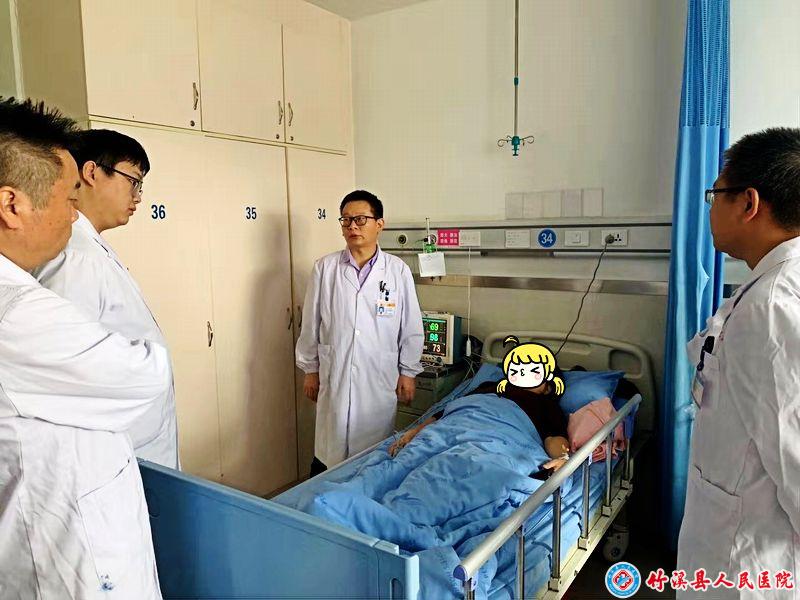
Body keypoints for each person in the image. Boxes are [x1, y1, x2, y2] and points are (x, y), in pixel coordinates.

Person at [0, 97, 170, 598]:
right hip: (70, 542)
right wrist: (143, 357)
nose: (72, 216)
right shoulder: (23, 306)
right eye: (68, 198)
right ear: (13, 205)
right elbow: (142, 376)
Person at [678, 127, 800, 596]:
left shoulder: (771, 307)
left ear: (748, 203)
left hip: (746, 560)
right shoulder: (768, 287)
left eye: (715, 195)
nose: (710, 208)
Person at [34, 129, 178, 469]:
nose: (138, 197)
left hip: (137, 441)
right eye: (133, 181)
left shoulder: (90, 248)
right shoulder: (76, 258)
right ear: (91, 172)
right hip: (120, 450)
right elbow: (69, 368)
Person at [296, 190, 424, 476]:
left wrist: (408, 372)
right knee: (330, 452)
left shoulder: (397, 271)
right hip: (335, 373)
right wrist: (310, 370)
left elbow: (411, 326)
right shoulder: (325, 268)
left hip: (378, 375)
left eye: (361, 219)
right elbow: (311, 322)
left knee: (372, 455)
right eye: (346, 220)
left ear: (380, 224)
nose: (352, 226)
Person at [389, 337, 572, 472]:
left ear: (548, 387)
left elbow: (554, 438)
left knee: (461, 466)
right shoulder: (489, 386)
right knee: (406, 460)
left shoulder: (545, 404)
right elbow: (448, 412)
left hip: (495, 438)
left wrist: (563, 459)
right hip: (454, 425)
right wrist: (416, 431)